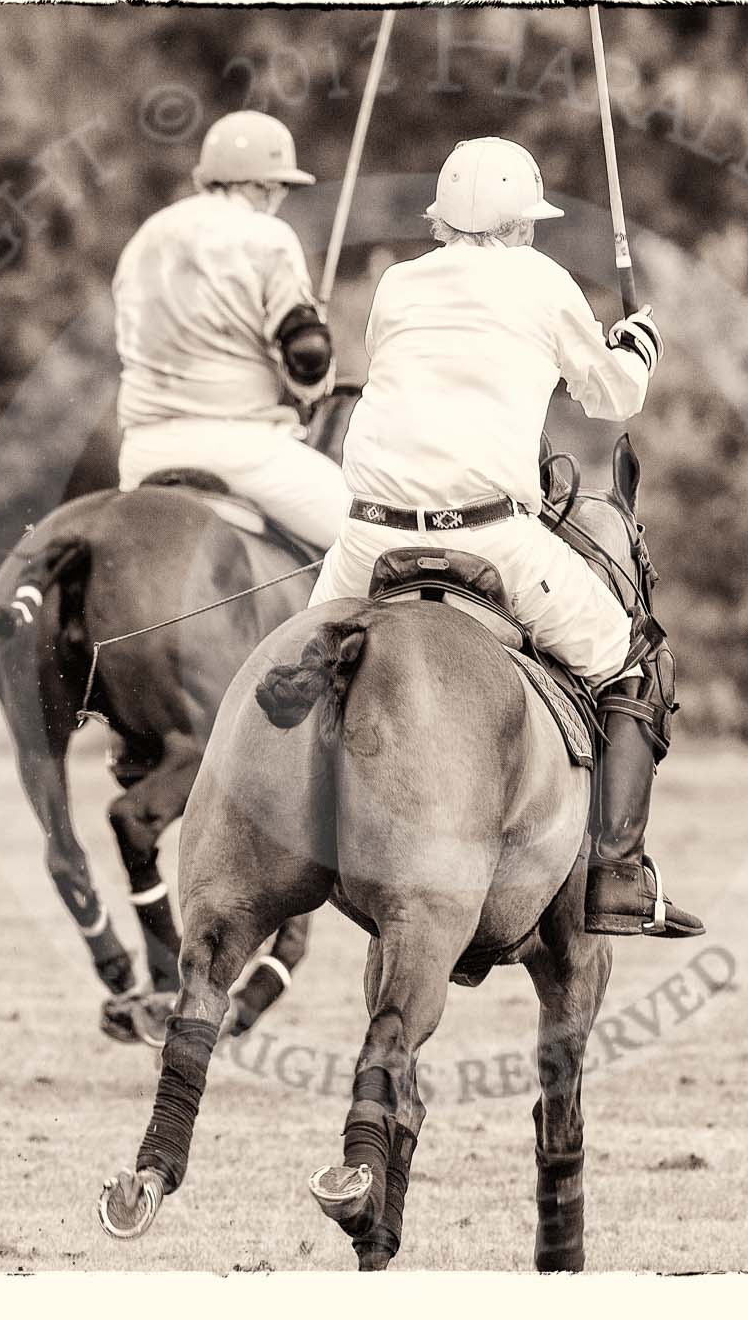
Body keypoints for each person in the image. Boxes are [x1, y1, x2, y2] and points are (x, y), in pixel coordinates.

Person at [309, 136, 701, 939]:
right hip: (490, 537)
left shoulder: (396, 285)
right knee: (636, 660)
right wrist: (638, 343)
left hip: (366, 535)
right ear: (524, 226)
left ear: (441, 223)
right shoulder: (544, 282)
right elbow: (613, 396)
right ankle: (616, 874)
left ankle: (271, 820)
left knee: (290, 668)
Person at [111, 110, 350, 549]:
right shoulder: (267, 236)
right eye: (279, 188)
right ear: (261, 186)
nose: (278, 199)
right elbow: (308, 353)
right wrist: (313, 387)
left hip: (142, 452)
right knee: (371, 542)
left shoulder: (144, 238)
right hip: (239, 449)